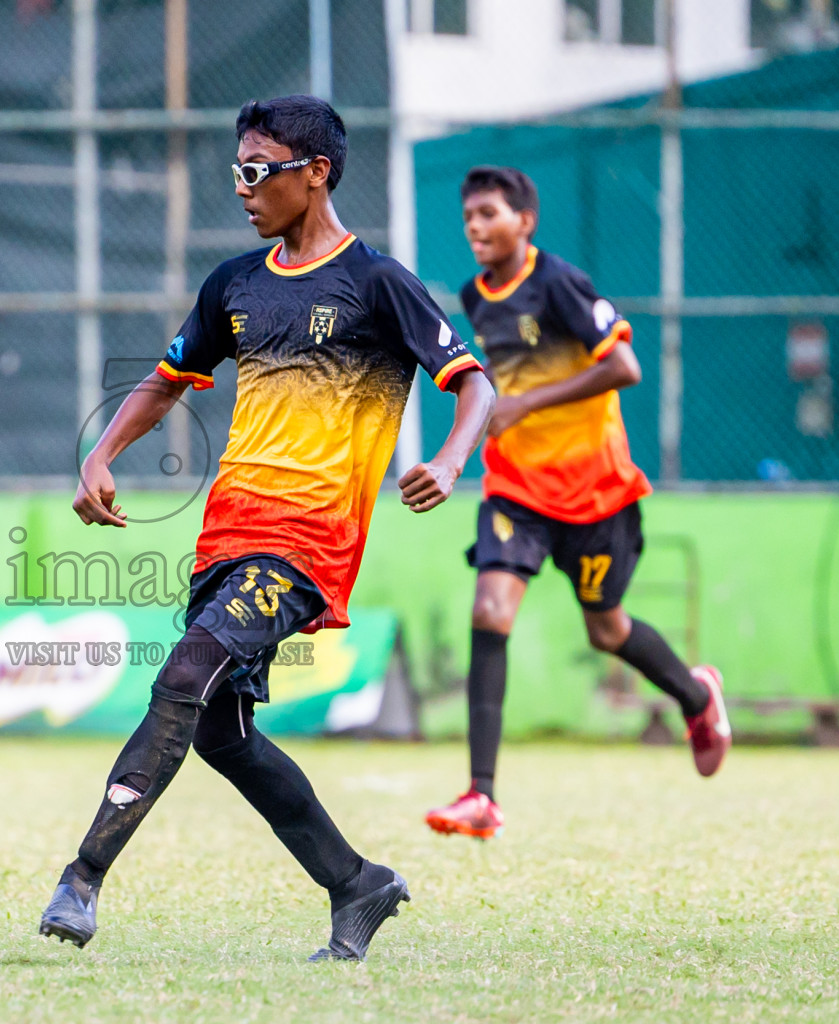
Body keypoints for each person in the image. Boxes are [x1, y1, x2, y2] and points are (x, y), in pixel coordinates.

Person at [38, 95, 494, 961]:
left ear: (315, 173)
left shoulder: (377, 283)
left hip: (307, 545)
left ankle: (83, 876)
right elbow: (169, 379)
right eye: (237, 171)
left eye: (258, 170)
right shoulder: (234, 285)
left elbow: (474, 381)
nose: (242, 188)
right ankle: (357, 883)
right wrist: (101, 455)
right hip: (226, 540)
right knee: (219, 730)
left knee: (183, 676)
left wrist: (453, 457)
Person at [424, 166, 730, 843]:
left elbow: (624, 367)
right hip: (517, 489)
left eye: (489, 214)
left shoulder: (558, 283)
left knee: (607, 630)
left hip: (595, 494)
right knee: (490, 608)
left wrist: (525, 403)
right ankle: (482, 795)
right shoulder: (475, 297)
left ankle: (696, 696)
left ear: (524, 221)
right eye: (468, 215)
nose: (475, 227)